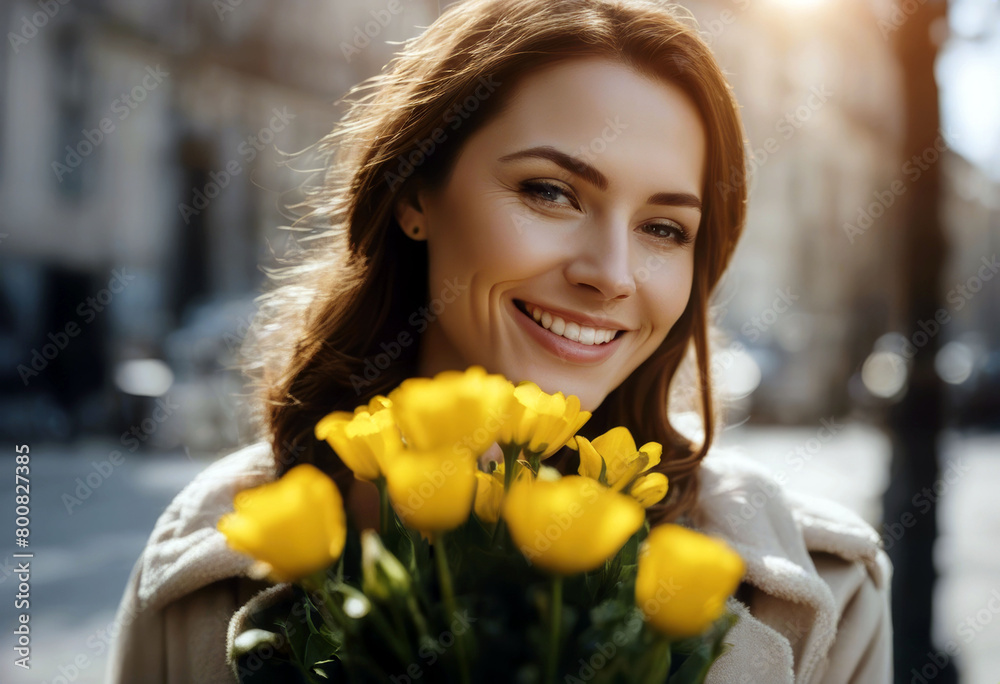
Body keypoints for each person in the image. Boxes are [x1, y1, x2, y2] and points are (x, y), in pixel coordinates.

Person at [105, 0, 893, 682]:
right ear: (416, 191)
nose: (611, 274)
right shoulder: (201, 573)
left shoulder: (822, 591)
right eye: (549, 192)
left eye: (664, 227)